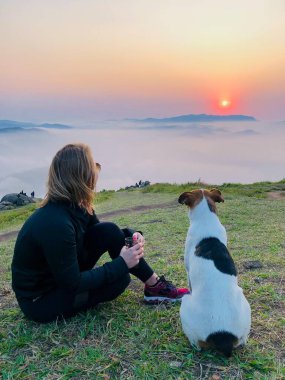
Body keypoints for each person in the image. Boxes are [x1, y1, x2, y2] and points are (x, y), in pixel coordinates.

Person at [12, 143, 189, 323]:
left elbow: (104, 234)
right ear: (81, 177)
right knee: (119, 281)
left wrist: (133, 235)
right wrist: (121, 263)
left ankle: (154, 286)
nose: (96, 170)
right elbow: (72, 284)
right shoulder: (55, 223)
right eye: (91, 166)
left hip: (58, 277)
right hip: (41, 301)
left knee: (109, 230)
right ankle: (140, 284)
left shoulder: (77, 205)